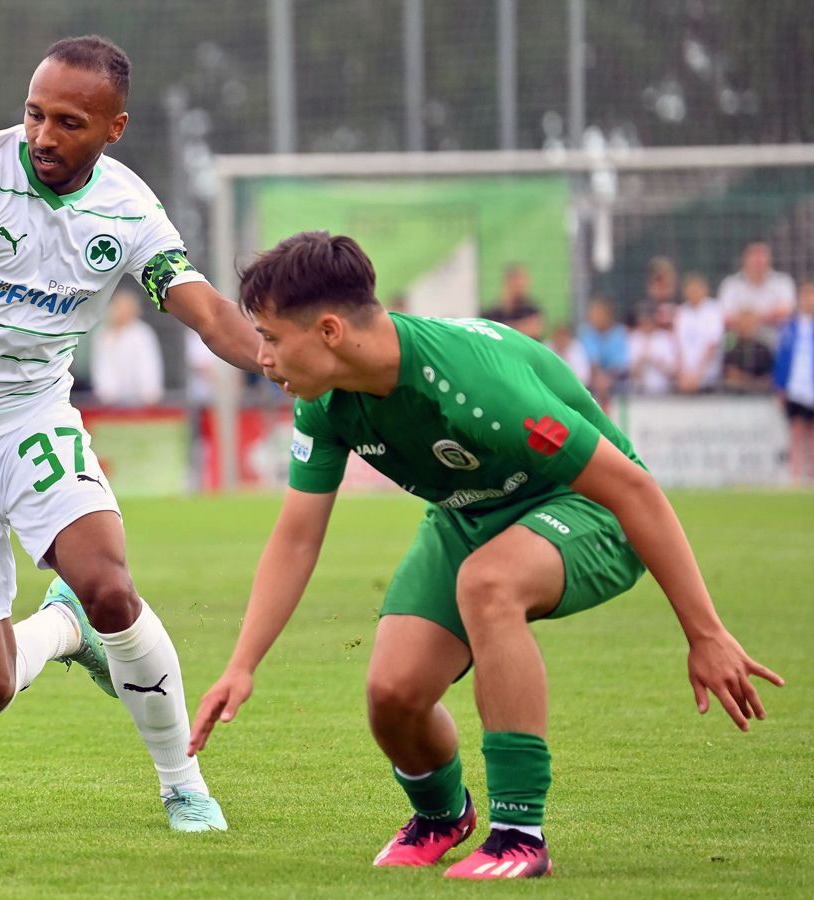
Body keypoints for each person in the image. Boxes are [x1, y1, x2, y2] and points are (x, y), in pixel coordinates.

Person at [188, 231, 782, 879]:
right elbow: (298, 536)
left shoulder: (476, 385)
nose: (263, 358)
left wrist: (705, 633)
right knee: (393, 693)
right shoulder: (325, 402)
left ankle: (519, 835)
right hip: (470, 515)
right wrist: (241, 664)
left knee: (487, 584)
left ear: (329, 330)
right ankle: (443, 817)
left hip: (591, 511)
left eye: (272, 339)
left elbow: (632, 489)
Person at [0, 35, 261, 833]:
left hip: (31, 418)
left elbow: (199, 305)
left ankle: (182, 784)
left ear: (114, 128)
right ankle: (64, 629)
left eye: (68, 122)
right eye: (34, 114)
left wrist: (274, 356)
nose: (42, 136)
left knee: (109, 583)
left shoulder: (129, 207)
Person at [90, 291, 164, 407]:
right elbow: (101, 366)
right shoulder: (102, 334)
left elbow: (148, 365)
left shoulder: (142, 333)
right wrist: (106, 394)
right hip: (111, 402)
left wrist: (149, 393)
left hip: (141, 401)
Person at [773, 281, 814, 483]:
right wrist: (780, 386)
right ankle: (796, 475)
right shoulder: (790, 326)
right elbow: (781, 358)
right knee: (796, 431)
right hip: (796, 387)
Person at [718, 241, 794, 339]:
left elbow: (785, 312)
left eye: (762, 255)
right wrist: (765, 318)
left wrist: (750, 319)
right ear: (744, 258)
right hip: (739, 339)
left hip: (774, 339)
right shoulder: (731, 284)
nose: (759, 260)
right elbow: (725, 317)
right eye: (754, 255)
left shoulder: (782, 281)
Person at [673, 272, 725, 394]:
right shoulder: (681, 312)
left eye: (697, 289)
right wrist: (683, 374)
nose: (694, 293)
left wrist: (697, 374)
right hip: (685, 379)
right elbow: (678, 345)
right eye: (690, 289)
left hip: (708, 378)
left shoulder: (714, 310)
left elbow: (713, 344)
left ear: (705, 289)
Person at [578, 296, 628, 408]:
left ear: (607, 314)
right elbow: (590, 359)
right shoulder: (586, 332)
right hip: (591, 383)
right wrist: (599, 378)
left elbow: (620, 364)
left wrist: (607, 379)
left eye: (597, 313)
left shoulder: (619, 333)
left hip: (615, 384)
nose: (592, 317)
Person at [478, 264, 543, 341]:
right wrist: (522, 326)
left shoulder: (531, 310)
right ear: (508, 283)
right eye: (517, 284)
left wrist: (500, 328)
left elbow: (534, 329)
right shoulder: (493, 312)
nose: (521, 288)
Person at [627, 304, 678, 395]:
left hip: (663, 391)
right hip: (639, 392)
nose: (646, 323)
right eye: (643, 320)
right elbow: (630, 371)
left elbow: (672, 371)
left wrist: (655, 360)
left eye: (649, 320)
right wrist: (641, 361)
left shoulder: (664, 338)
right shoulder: (634, 339)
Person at [721, 309, 775, 394]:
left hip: (760, 398)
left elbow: (769, 377)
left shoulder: (763, 349)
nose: (746, 326)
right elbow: (730, 375)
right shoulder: (731, 348)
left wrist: (749, 382)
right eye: (743, 323)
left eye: (749, 323)